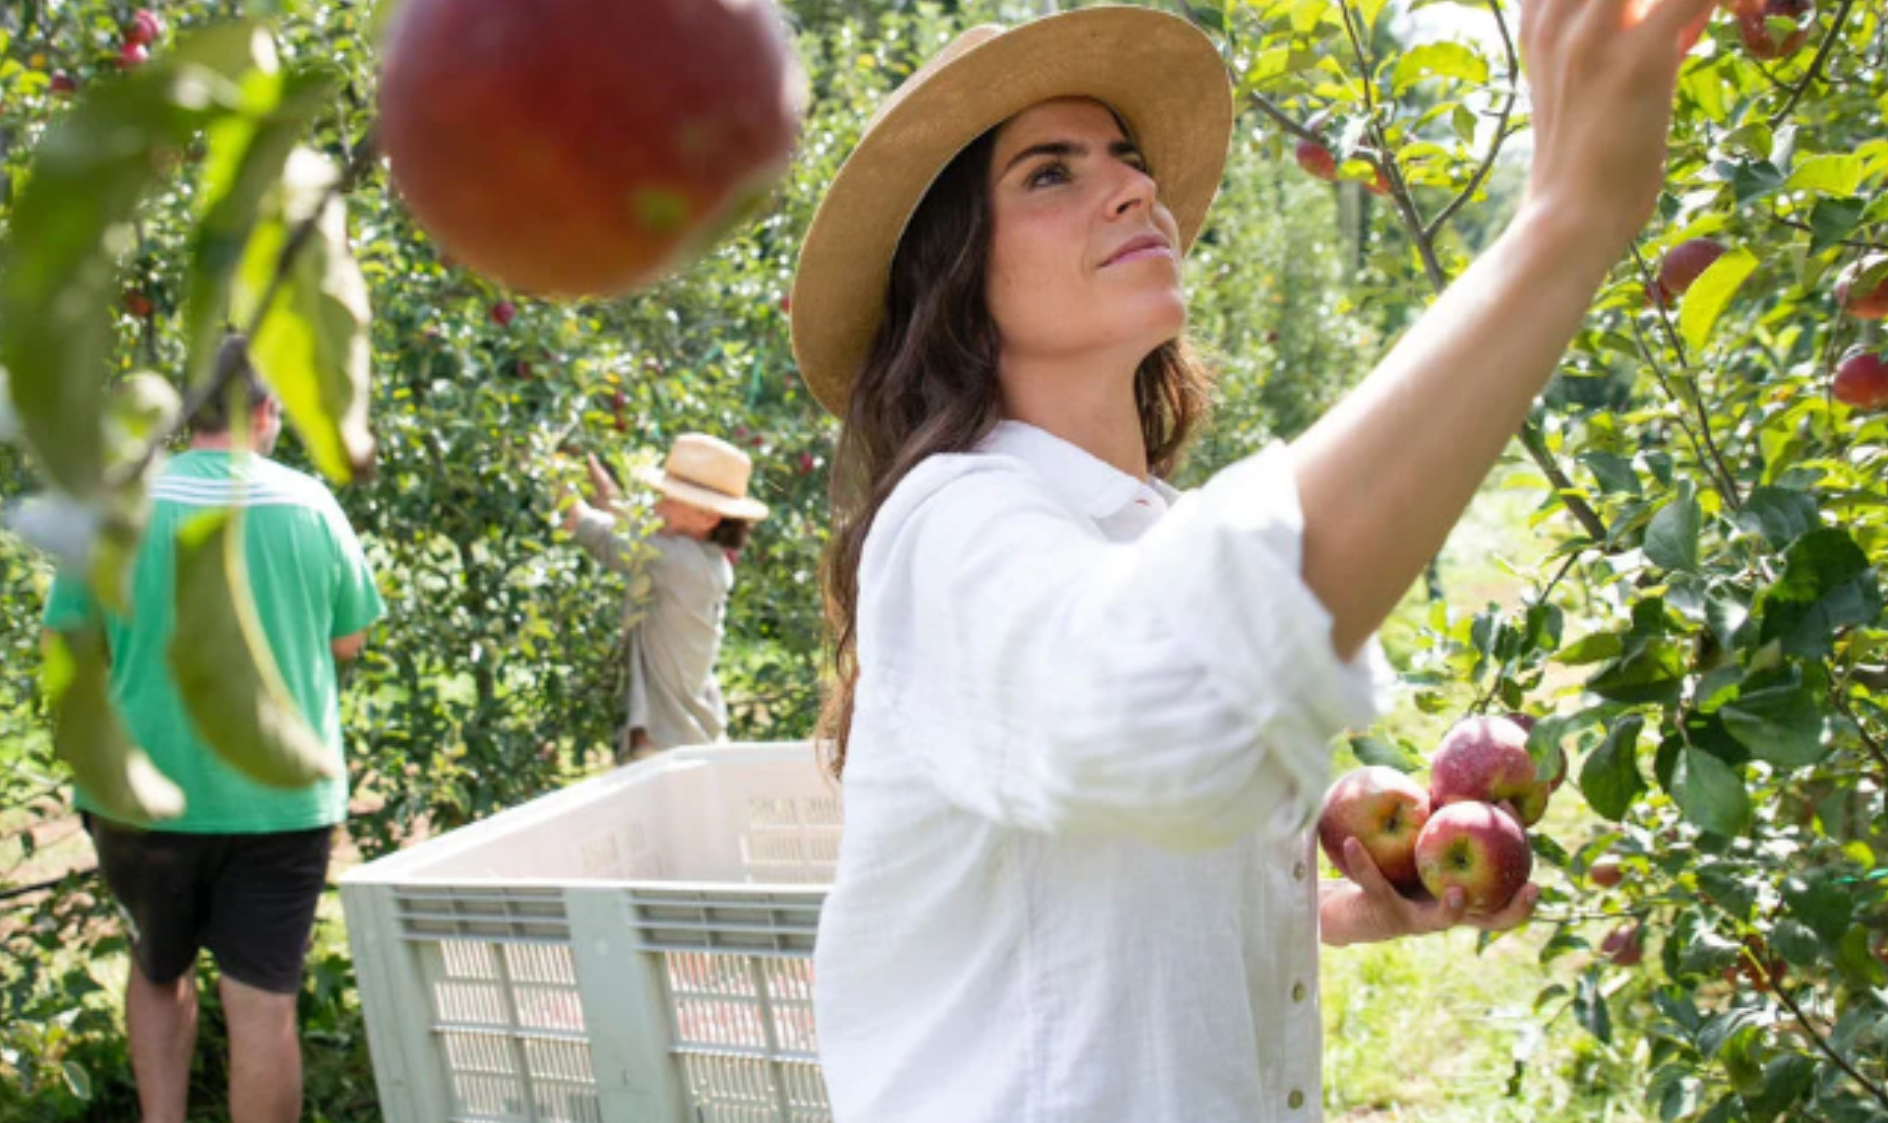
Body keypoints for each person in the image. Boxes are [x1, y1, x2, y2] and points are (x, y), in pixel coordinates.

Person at [788, 2, 1702, 1119]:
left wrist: (1318, 908)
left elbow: (1090, 885)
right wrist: (1560, 225)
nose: (1132, 187)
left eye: (1127, 159)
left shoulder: (1143, 531)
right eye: (1047, 175)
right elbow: (1146, 698)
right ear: (954, 277)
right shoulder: (945, 525)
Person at [41, 336, 383, 1123]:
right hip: (281, 801)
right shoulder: (308, 503)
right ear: (266, 413)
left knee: (158, 971)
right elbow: (347, 641)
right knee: (263, 1003)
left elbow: (69, 642)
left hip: (140, 792)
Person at [559, 432, 768, 759]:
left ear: (708, 517)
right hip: (689, 735)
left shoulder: (676, 562)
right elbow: (630, 526)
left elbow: (600, 535)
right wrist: (594, 473)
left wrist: (556, 478)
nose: (657, 504)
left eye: (669, 499)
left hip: (665, 743)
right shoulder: (702, 559)